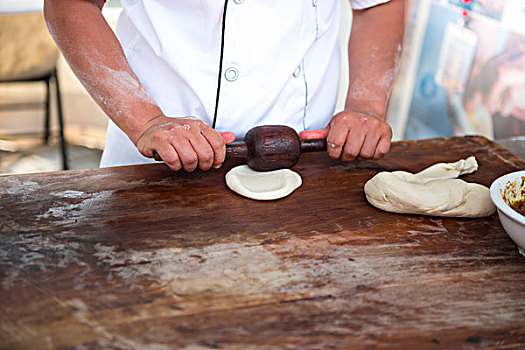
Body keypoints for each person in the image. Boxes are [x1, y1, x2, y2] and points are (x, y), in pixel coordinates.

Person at [44, 0, 404, 172]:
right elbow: (70, 5)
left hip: (306, 155)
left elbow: (378, 4)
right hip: (153, 159)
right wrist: (146, 120)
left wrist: (366, 105)